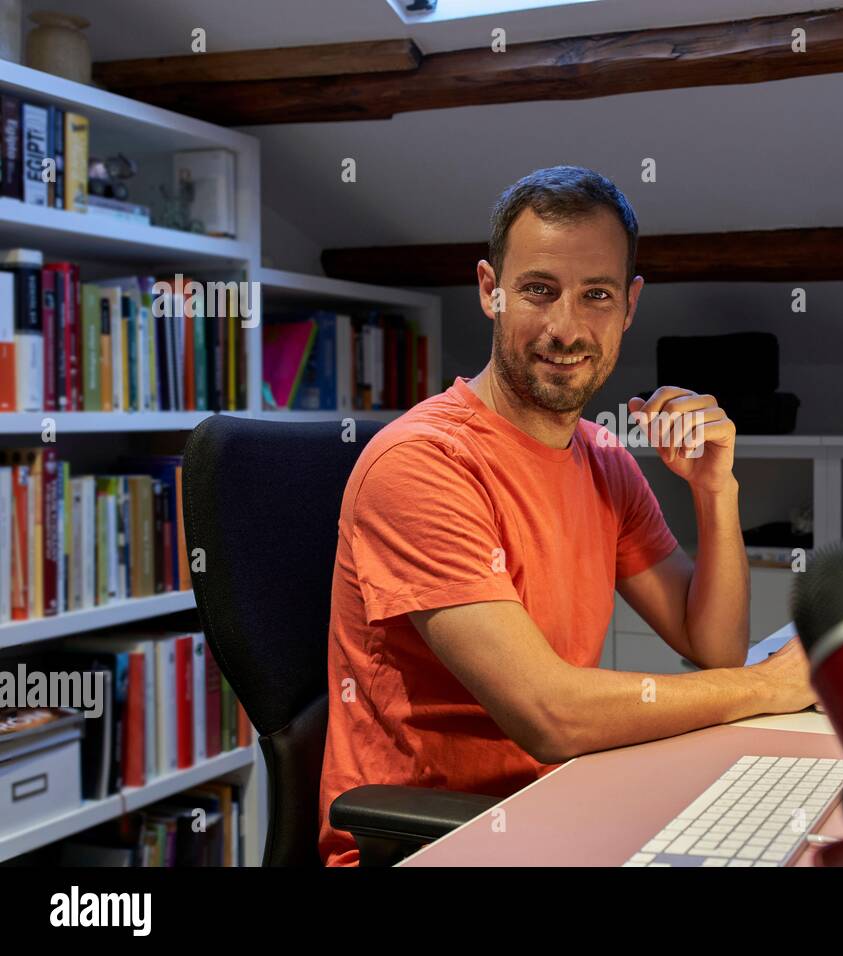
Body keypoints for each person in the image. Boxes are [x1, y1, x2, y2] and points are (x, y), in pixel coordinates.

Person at [318, 165, 814, 866]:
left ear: (629, 305)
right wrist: (771, 686)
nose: (566, 328)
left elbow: (715, 646)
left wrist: (715, 491)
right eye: (539, 290)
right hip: (432, 841)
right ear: (491, 290)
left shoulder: (604, 459)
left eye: (597, 296)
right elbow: (550, 715)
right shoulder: (422, 464)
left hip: (563, 808)